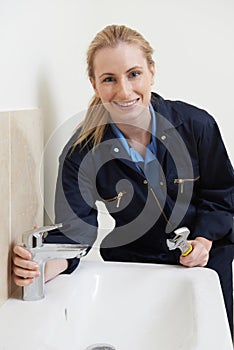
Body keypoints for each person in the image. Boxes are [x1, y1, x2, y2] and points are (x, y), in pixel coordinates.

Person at [13, 24, 234, 336]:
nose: (124, 91)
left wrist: (205, 240)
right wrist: (42, 267)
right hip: (135, 269)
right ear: (94, 83)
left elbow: (222, 194)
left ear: (151, 72)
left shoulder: (197, 125)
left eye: (134, 74)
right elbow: (76, 231)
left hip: (206, 265)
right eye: (109, 79)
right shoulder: (80, 153)